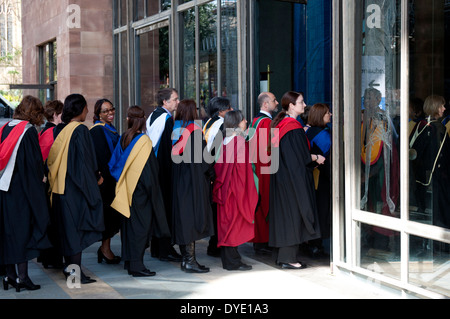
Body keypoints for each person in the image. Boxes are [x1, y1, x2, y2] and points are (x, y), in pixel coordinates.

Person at [47, 93, 104, 284]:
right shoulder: (80, 130)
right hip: (75, 189)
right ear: (79, 109)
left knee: (67, 231)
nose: (88, 110)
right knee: (76, 232)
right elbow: (85, 162)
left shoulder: (62, 130)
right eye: (85, 107)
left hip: (60, 189)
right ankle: (75, 273)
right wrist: (95, 182)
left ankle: (69, 269)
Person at [109, 106, 171, 277]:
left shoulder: (123, 138)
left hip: (125, 189)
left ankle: (129, 262)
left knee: (128, 229)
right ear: (143, 120)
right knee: (140, 229)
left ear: (128, 119)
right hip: (140, 193)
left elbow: (114, 165)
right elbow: (150, 171)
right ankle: (137, 266)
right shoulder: (143, 141)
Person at [0, 95, 51, 292]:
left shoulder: (6, 127)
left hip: (4, 189)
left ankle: (9, 276)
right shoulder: (27, 131)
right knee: (22, 232)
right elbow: (33, 163)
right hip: (21, 191)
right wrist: (42, 178)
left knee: (7, 233)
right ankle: (22, 278)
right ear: (35, 112)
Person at [268, 91, 324, 269]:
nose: (304, 104)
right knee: (294, 216)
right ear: (291, 105)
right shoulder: (293, 128)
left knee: (285, 217)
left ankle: (282, 256)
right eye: (300, 102)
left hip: (281, 178)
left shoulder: (281, 125)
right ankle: (288, 259)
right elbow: (300, 158)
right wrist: (315, 158)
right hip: (293, 180)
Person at [171, 99, 215, 273]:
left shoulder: (175, 129)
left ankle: (186, 259)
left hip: (179, 181)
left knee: (184, 219)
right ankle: (189, 261)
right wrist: (212, 173)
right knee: (191, 220)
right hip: (192, 183)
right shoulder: (194, 131)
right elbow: (204, 161)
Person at [213, 110, 258, 271]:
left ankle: (230, 260)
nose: (246, 121)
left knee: (226, 225)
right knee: (233, 225)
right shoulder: (238, 141)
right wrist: (248, 193)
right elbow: (243, 171)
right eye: (243, 119)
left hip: (223, 189)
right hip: (234, 191)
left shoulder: (225, 140)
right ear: (238, 123)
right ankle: (233, 262)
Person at [360, 88, 399, 251]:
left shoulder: (382, 117)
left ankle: (382, 239)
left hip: (382, 164)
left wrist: (373, 171)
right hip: (367, 165)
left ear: (378, 100)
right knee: (370, 200)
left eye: (370, 98)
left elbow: (389, 141)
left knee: (381, 198)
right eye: (365, 98)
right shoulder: (364, 117)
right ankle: (370, 233)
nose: (366, 102)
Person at [145, 88, 181, 262]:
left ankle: (157, 247)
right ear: (165, 102)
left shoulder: (153, 115)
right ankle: (165, 249)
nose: (177, 102)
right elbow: (167, 150)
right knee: (165, 208)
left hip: (154, 168)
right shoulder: (166, 119)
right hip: (163, 170)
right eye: (174, 99)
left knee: (158, 208)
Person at [409, 95, 450, 229]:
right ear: (435, 108)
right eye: (441, 106)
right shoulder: (436, 128)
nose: (444, 108)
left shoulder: (421, 124)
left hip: (422, 176)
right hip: (435, 178)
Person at [90, 98, 121, 264]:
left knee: (112, 216)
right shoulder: (96, 131)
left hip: (112, 179)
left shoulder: (110, 129)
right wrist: (99, 178)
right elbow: (95, 157)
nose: (110, 113)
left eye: (112, 109)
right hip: (105, 182)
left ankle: (105, 248)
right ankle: (105, 249)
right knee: (108, 216)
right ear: (98, 114)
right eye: (105, 111)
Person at [247, 92, 278, 255]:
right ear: (265, 104)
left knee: (258, 203)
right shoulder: (266, 123)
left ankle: (259, 240)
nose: (277, 102)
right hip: (265, 168)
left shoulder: (254, 121)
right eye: (274, 101)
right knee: (264, 202)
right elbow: (271, 148)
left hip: (256, 167)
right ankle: (262, 240)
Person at [202, 96, 232, 257]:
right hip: (217, 168)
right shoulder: (221, 124)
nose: (231, 110)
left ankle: (214, 244)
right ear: (221, 111)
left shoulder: (209, 122)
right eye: (229, 108)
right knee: (219, 208)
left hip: (209, 167)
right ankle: (216, 244)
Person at [37, 99, 64, 270]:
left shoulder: (42, 132)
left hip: (43, 182)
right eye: (61, 114)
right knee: (55, 221)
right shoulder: (54, 133)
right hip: (52, 183)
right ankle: (53, 258)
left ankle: (47, 258)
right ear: (55, 115)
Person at [304, 103, 332, 258]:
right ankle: (316, 246)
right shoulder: (322, 134)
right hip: (322, 179)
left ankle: (313, 244)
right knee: (321, 213)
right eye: (328, 112)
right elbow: (328, 159)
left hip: (313, 178)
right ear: (321, 116)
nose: (330, 115)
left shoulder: (309, 131)